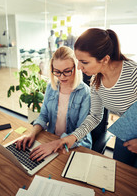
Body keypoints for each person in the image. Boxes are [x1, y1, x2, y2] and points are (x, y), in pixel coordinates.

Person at [54, 28, 137, 167]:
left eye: (84, 62)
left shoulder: (133, 73)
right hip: (126, 131)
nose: (79, 67)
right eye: (78, 61)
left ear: (105, 59)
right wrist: (73, 137)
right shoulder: (95, 81)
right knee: (123, 176)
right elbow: (95, 117)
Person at [16, 46, 92, 161]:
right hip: (51, 139)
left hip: (74, 146)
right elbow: (43, 116)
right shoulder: (51, 87)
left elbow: (81, 131)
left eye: (67, 71)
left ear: (76, 68)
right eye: (57, 71)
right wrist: (32, 134)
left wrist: (57, 143)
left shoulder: (85, 93)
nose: (61, 77)